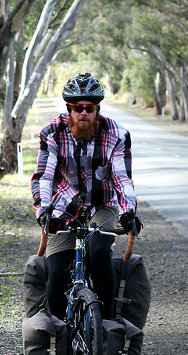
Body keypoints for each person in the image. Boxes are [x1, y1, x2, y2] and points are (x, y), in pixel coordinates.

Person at [31, 72, 141, 320]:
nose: (83, 113)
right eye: (77, 108)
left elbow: (122, 178)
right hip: (64, 205)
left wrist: (128, 212)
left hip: (103, 205)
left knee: (99, 251)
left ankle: (107, 324)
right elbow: (45, 177)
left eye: (89, 108)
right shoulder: (51, 132)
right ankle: (58, 334)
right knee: (57, 270)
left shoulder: (117, 135)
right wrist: (44, 210)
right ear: (68, 109)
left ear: (97, 109)